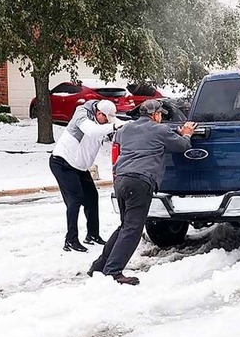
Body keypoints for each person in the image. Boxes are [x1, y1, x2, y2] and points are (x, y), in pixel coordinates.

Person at [88, 99, 197, 285]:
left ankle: (99, 266)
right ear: (155, 115)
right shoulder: (160, 130)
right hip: (140, 182)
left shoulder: (126, 129)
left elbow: (141, 137)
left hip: (121, 180)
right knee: (133, 230)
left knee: (125, 226)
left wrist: (173, 132)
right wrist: (186, 134)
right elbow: (182, 146)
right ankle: (113, 271)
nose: (161, 117)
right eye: (160, 114)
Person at [50, 99, 124, 253]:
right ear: (98, 113)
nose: (106, 124)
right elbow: (91, 131)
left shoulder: (102, 122)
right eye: (106, 119)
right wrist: (113, 126)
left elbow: (108, 136)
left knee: (92, 197)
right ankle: (70, 240)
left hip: (80, 167)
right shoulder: (81, 114)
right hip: (63, 163)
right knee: (74, 200)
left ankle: (92, 235)